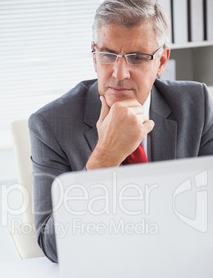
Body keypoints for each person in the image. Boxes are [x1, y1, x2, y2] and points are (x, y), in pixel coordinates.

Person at [29, 0, 213, 263]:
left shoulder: (196, 103)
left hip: (181, 262)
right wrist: (105, 157)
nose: (119, 73)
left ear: (161, 61)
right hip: (102, 266)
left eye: (137, 58)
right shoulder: (50, 124)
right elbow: (53, 246)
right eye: (108, 55)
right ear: (94, 56)